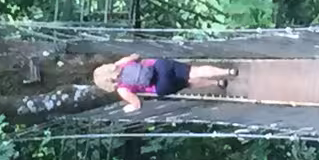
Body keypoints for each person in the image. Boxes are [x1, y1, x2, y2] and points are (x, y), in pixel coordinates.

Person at [91, 55, 237, 112]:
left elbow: (137, 104)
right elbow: (136, 56)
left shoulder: (122, 90)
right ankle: (227, 71)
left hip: (160, 85)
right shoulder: (120, 63)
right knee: (195, 70)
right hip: (160, 66)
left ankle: (217, 83)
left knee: (188, 83)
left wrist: (127, 109)